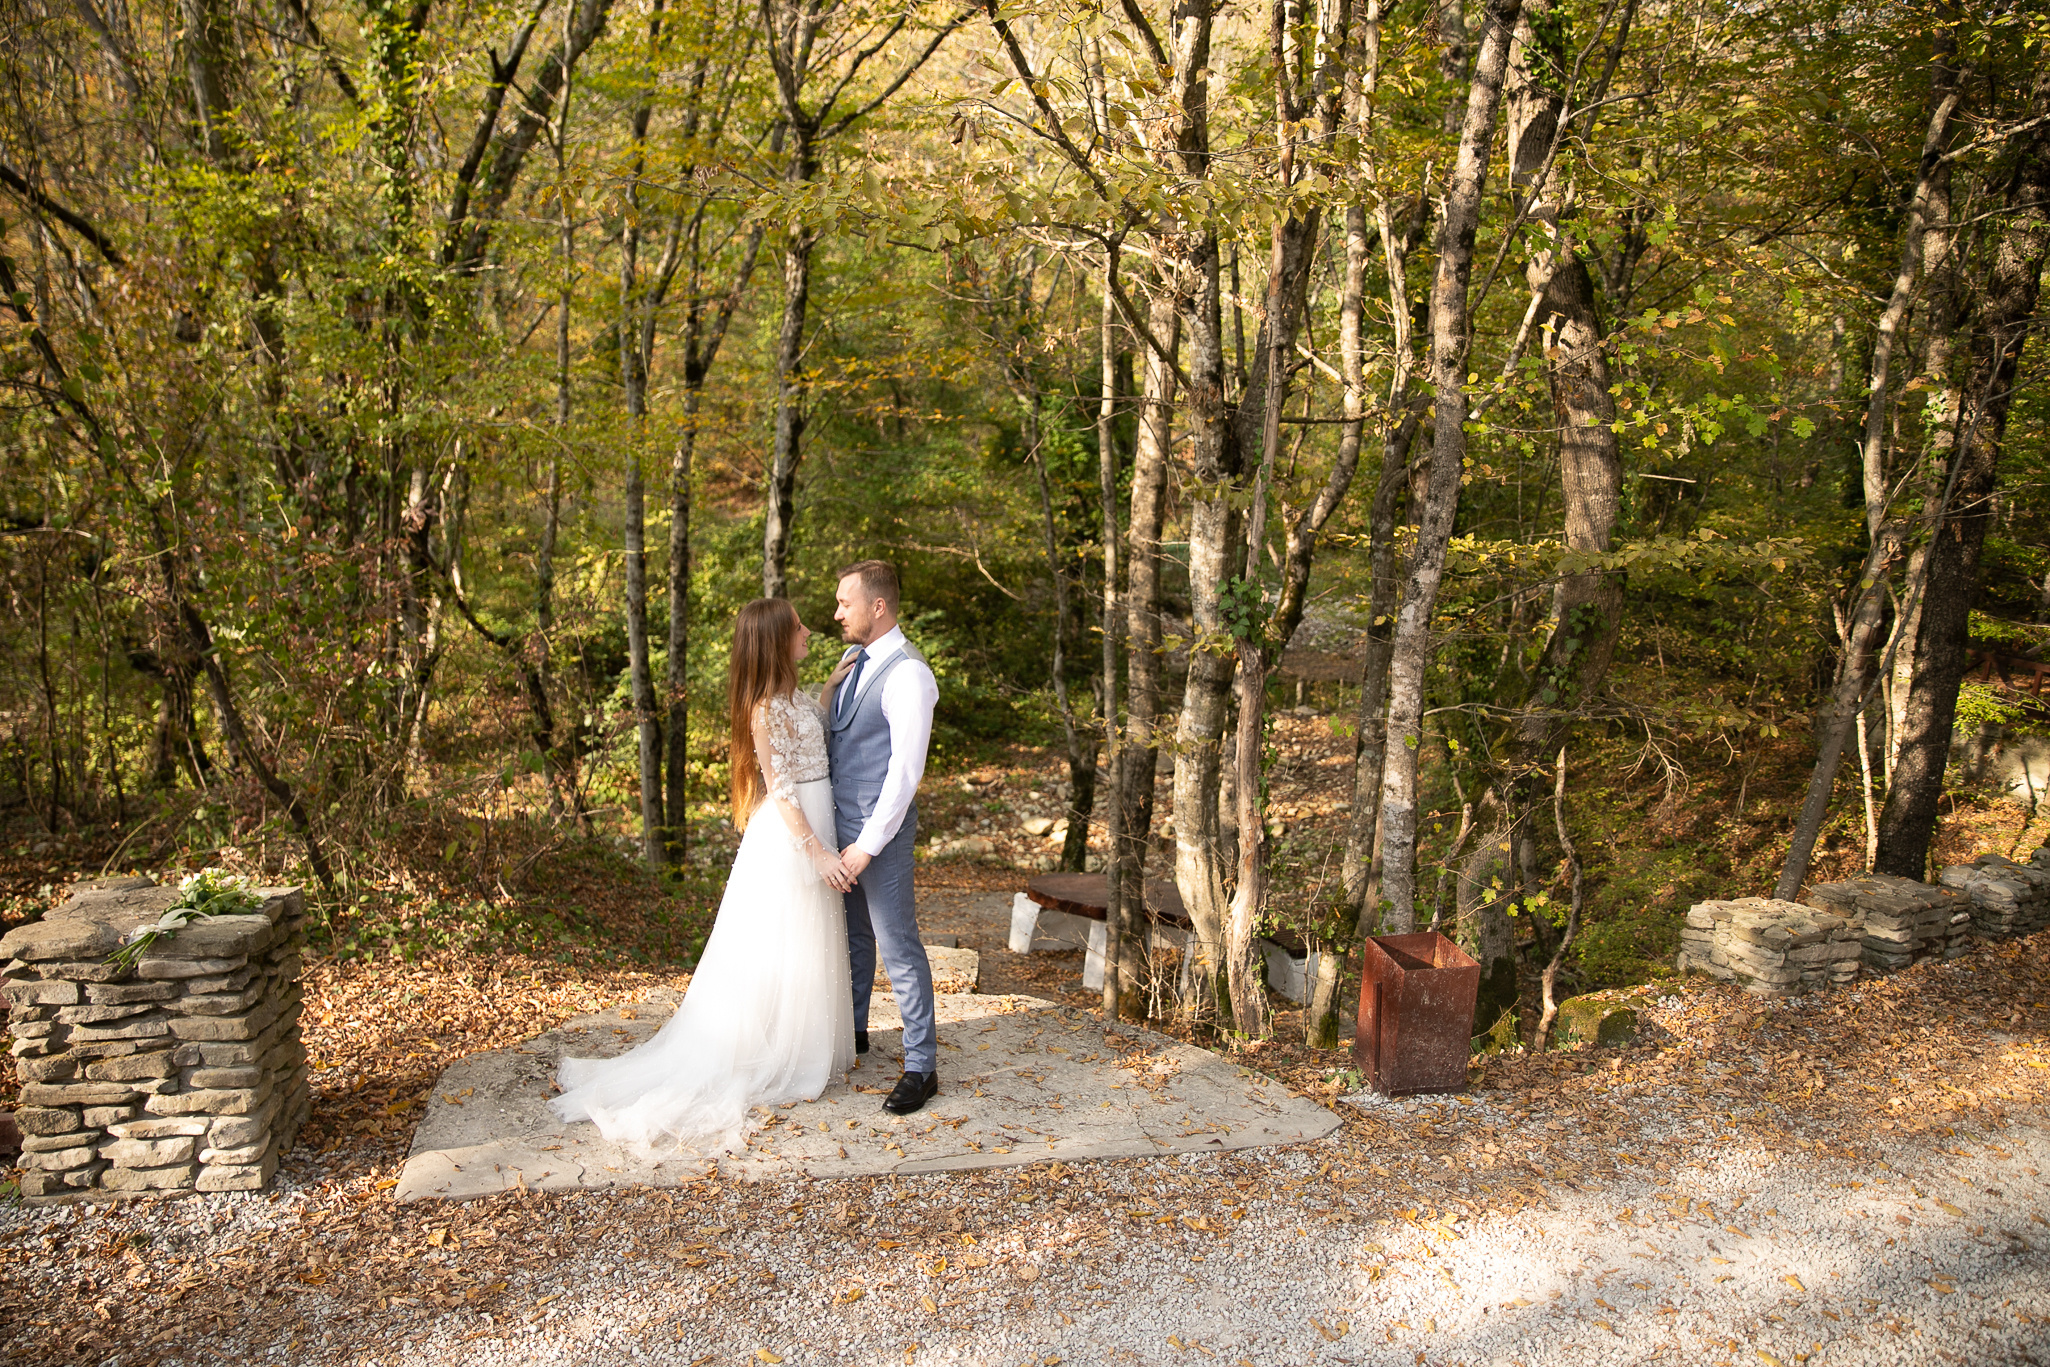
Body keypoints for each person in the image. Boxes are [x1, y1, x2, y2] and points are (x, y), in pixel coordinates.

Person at [549, 597, 853, 1151]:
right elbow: (781, 788)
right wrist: (816, 853)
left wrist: (831, 687)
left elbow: (813, 735)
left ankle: (802, 1045)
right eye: (799, 627)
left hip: (817, 820)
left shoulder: (793, 697)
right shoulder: (763, 707)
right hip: (794, 838)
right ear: (775, 640)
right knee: (779, 946)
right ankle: (766, 1051)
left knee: (802, 946)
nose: (809, 630)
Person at [824, 560, 942, 1115]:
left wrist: (866, 845)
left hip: (881, 834)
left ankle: (922, 1066)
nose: (836, 613)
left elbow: (904, 774)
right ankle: (854, 1032)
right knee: (853, 939)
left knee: (897, 944)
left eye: (845, 603)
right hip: (840, 828)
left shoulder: (909, 674)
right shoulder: (852, 661)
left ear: (878, 606)